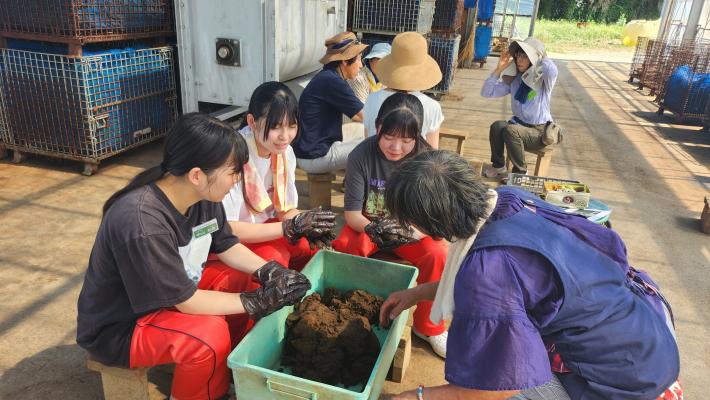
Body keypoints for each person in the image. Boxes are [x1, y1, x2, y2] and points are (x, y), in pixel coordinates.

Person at [381, 150, 682, 400]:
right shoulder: (508, 200)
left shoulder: (487, 271)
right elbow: (487, 275)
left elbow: (501, 384)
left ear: (432, 221)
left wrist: (418, 395)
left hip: (623, 376)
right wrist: (414, 294)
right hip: (646, 329)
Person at [76, 113, 312, 400]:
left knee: (243, 279)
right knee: (207, 338)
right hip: (122, 325)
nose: (236, 180)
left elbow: (226, 245)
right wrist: (257, 302)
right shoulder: (142, 222)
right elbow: (186, 302)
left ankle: (228, 369)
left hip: (169, 295)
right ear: (197, 175)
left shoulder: (202, 198)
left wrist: (270, 272)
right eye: (232, 172)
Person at [332, 93, 448, 358]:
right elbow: (352, 214)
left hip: (412, 230)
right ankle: (346, 312)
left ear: (418, 136)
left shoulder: (428, 159)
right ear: (377, 128)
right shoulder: (361, 155)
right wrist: (375, 229)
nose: (396, 147)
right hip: (369, 226)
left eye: (406, 140)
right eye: (389, 137)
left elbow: (436, 219)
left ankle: (429, 326)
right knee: (347, 245)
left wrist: (412, 232)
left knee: (438, 254)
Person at [220, 81, 336, 272]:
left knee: (311, 246)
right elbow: (229, 229)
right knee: (275, 260)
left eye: (291, 126)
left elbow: (285, 211)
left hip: (269, 228)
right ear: (251, 122)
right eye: (276, 127)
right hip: (236, 240)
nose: (285, 136)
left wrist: (312, 222)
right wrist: (289, 227)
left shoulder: (285, 153)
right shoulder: (232, 157)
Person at [481, 37, 559, 178]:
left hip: (540, 132)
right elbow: (487, 92)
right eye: (518, 55)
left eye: (525, 56)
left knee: (511, 130)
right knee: (497, 126)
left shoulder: (543, 80)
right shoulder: (515, 79)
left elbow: (552, 71)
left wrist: (541, 52)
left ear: (532, 59)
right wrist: (499, 69)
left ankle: (521, 173)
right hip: (518, 127)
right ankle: (499, 167)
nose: (519, 60)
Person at [293, 31, 368, 174]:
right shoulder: (332, 81)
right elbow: (363, 116)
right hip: (315, 157)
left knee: (365, 133)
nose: (361, 65)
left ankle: (351, 181)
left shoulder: (328, 76)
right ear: (345, 61)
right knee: (377, 145)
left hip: (310, 151)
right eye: (359, 59)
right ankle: (358, 187)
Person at [362, 32, 444, 148]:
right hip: (413, 166)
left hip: (373, 164)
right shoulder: (432, 106)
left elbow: (367, 141)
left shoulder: (372, 99)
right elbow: (432, 152)